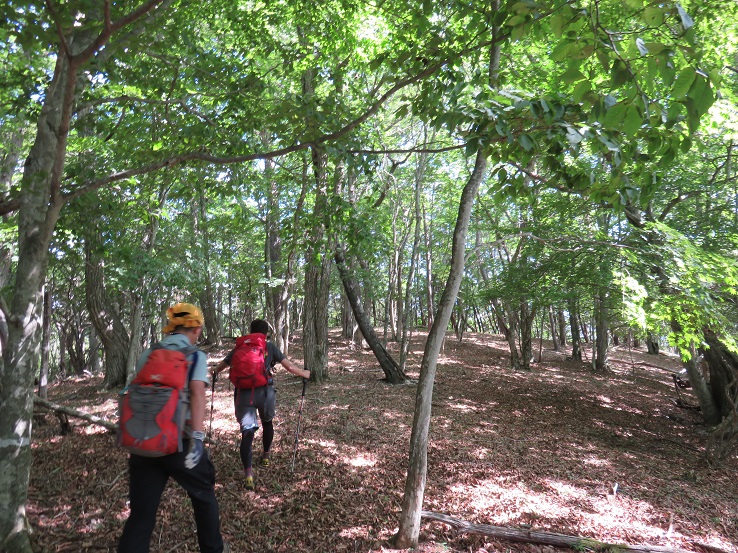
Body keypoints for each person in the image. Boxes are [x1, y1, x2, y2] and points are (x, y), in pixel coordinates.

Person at [118, 303, 228, 553]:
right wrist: (198, 438)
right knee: (203, 497)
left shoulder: (148, 353)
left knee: (141, 515)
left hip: (143, 444)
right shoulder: (194, 356)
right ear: (197, 329)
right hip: (181, 444)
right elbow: (198, 394)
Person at [212, 319, 310, 490]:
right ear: (265, 334)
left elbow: (221, 367)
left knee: (247, 432)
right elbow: (290, 368)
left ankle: (248, 473)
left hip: (243, 393)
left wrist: (213, 372)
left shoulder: (240, 346)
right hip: (265, 393)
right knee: (267, 423)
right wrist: (305, 374)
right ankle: (265, 456)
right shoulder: (269, 346)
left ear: (251, 331)